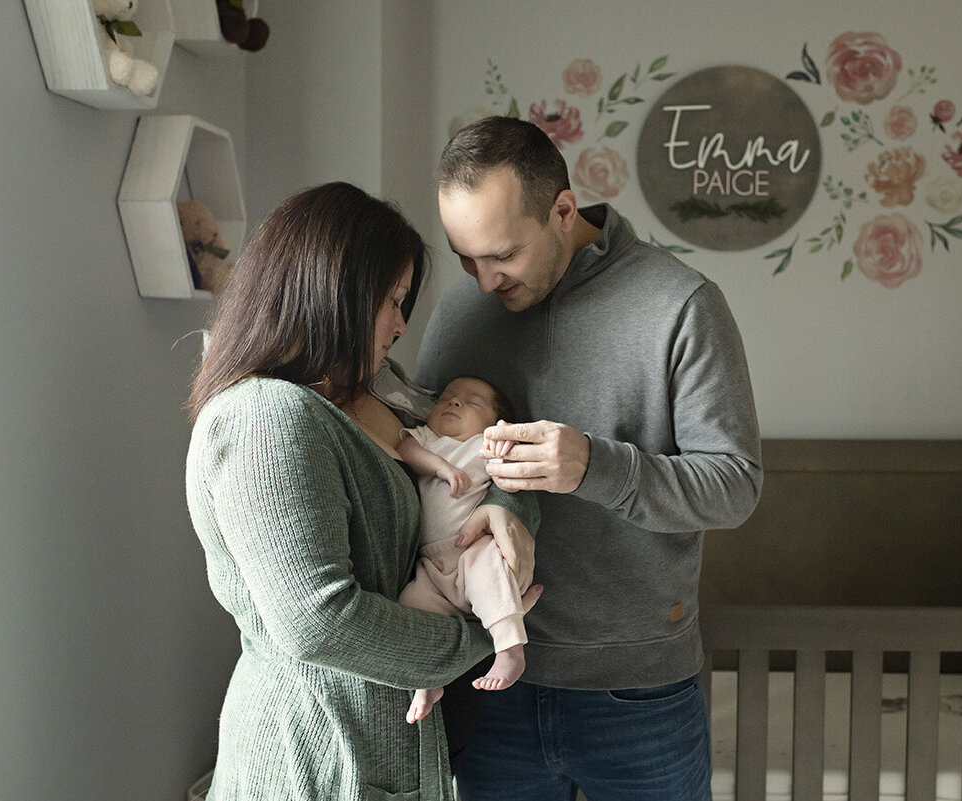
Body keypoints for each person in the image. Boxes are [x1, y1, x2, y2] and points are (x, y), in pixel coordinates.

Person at [417, 116, 764, 801]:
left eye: (503, 256)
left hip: (637, 692)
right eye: (465, 259)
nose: (483, 283)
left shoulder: (681, 305)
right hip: (486, 685)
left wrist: (594, 467)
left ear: (564, 211)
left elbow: (736, 484)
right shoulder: (462, 312)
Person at [185, 181, 541, 801]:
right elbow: (318, 622)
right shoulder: (267, 418)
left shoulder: (371, 393)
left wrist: (503, 512)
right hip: (319, 753)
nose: (403, 325)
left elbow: (478, 451)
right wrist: (484, 635)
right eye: (393, 301)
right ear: (335, 292)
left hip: (385, 742)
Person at [398, 375, 527, 725]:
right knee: (410, 608)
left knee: (489, 569)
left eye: (472, 402)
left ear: (495, 424)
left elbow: (516, 475)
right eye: (447, 397)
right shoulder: (425, 440)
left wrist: (505, 451)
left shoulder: (482, 446)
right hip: (431, 564)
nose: (454, 402)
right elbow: (404, 449)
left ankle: (510, 648)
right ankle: (429, 681)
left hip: (470, 548)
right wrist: (441, 466)